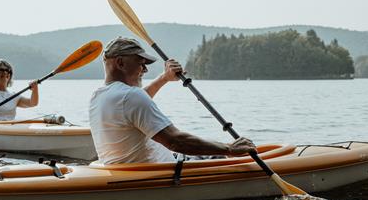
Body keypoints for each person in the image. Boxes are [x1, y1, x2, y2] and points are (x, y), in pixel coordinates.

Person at [88, 37, 255, 164]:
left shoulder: (99, 96)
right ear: (120, 62)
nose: (145, 69)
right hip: (163, 173)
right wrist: (230, 149)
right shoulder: (131, 97)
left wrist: (164, 78)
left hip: (127, 172)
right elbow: (176, 141)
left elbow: (133, 106)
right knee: (224, 154)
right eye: (141, 63)